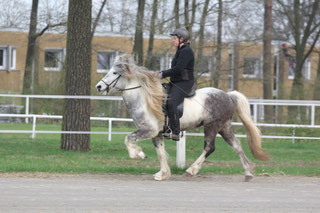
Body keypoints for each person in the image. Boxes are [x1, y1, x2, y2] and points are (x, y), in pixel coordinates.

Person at [159, 27, 195, 141]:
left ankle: (175, 132)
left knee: (171, 103)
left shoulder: (186, 51)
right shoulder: (180, 50)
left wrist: (162, 74)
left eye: (174, 38)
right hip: (176, 82)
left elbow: (178, 68)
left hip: (184, 82)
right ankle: (165, 127)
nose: (173, 40)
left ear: (182, 39)